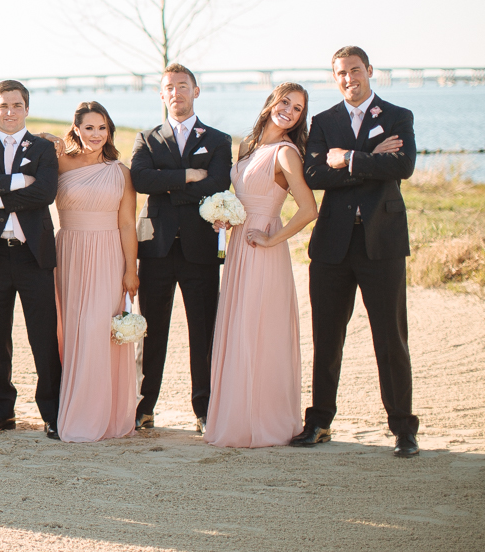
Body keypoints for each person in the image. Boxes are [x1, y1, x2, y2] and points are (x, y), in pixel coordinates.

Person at [293, 46, 420, 457]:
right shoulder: (324, 120)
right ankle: (320, 422)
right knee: (327, 339)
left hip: (382, 242)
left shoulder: (398, 116)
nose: (349, 78)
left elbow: (402, 166)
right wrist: (368, 162)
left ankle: (403, 429)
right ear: (335, 79)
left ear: (369, 71)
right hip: (332, 245)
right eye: (341, 73)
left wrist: (346, 160)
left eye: (354, 70)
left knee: (390, 338)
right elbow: (313, 174)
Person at [205, 84, 322, 448]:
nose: (289, 110)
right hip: (238, 245)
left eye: (298, 108)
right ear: (271, 103)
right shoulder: (247, 146)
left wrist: (273, 238)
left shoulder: (286, 153)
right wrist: (224, 218)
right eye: (285, 101)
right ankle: (235, 417)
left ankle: (263, 421)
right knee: (238, 325)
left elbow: (308, 209)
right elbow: (238, 196)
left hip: (261, 248)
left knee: (258, 329)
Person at [130, 63, 232, 434]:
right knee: (151, 332)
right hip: (156, 248)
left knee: (203, 332)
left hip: (200, 249)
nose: (177, 93)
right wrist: (189, 176)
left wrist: (166, 184)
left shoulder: (219, 139)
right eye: (169, 87)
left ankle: (204, 409)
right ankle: (143, 407)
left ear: (196, 90)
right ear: (162, 95)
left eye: (183, 86)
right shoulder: (147, 138)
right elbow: (140, 179)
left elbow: (219, 182)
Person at [0, 81, 61, 438]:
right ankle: (0, 412)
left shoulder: (43, 148)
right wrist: (20, 180)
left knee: (43, 337)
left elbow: (46, 192)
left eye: (16, 105)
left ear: (26, 109)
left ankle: (52, 413)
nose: (10, 112)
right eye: (3, 105)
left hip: (33, 255)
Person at [54, 102, 139, 442]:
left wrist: (130, 270)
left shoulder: (120, 171)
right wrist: (46, 136)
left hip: (108, 254)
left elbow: (128, 224)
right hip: (70, 251)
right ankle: (73, 408)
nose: (96, 134)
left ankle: (103, 415)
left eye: (102, 128)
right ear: (76, 129)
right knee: (73, 330)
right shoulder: (59, 163)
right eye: (89, 128)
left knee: (98, 330)